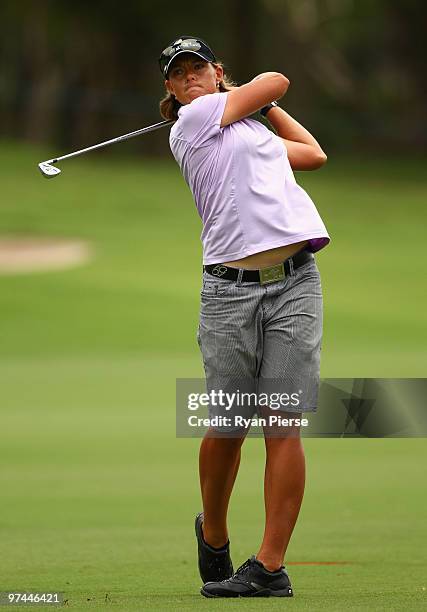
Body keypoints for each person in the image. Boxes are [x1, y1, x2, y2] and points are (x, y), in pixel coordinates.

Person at [158, 36, 330, 598]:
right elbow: (277, 77)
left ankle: (270, 567)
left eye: (197, 70)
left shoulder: (252, 134)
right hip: (229, 294)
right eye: (178, 75)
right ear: (171, 89)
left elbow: (312, 153)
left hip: (295, 282)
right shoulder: (193, 122)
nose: (189, 80)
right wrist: (248, 94)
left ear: (217, 71)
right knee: (228, 429)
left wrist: (258, 108)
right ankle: (214, 532)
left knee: (283, 424)